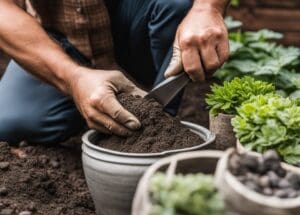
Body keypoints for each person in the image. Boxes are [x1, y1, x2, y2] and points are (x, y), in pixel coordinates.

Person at [0, 0, 229, 144]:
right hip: (61, 37)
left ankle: (158, 129)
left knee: (177, 4)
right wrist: (72, 77)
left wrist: (207, 7)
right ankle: (90, 100)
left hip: (136, 19)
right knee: (11, 122)